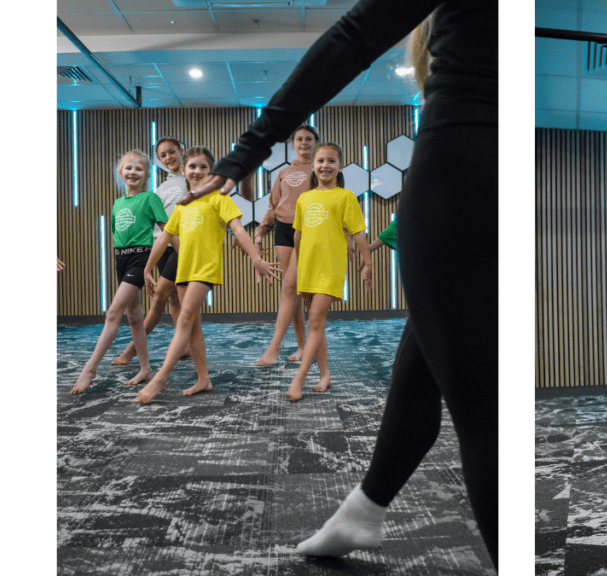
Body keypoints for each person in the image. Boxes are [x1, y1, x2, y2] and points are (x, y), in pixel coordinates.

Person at [182, 0, 497, 565]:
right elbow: (288, 222)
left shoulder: (347, 194)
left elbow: (356, 34)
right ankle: (363, 510)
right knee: (426, 355)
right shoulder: (298, 189)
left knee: (480, 403)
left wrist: (248, 148)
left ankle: (364, 504)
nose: (316, 161)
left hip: (457, 168)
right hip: (482, 165)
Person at [134, 147, 280, 404]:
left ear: (211, 173)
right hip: (184, 269)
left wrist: (256, 259)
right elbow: (164, 239)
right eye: (192, 166)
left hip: (206, 269)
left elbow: (238, 230)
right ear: (183, 170)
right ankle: (204, 378)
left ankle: (159, 379)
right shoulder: (182, 205)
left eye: (203, 167)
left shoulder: (219, 198)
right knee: (193, 328)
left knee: (185, 318)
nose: (197, 171)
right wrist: (147, 268)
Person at [70, 150, 168, 394]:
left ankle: (90, 369)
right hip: (120, 259)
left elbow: (168, 233)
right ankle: (145, 369)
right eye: (128, 168)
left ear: (146, 173)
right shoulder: (118, 203)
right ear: (120, 172)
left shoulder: (150, 198)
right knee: (134, 315)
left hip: (140, 257)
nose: (133, 172)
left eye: (139, 169)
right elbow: (117, 235)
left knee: (113, 312)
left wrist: (181, 258)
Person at [285, 143, 372, 401]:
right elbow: (298, 235)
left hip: (330, 268)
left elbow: (358, 232)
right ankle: (325, 375)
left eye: (331, 161)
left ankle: (298, 380)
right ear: (312, 166)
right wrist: (297, 265)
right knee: (317, 324)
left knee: (314, 321)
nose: (325, 165)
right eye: (320, 160)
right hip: (308, 268)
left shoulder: (345, 197)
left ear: (339, 166)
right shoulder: (305, 198)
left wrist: (367, 262)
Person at [112, 137, 191, 366]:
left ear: (181, 151)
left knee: (158, 299)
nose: (168, 158)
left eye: (172, 152)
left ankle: (130, 352)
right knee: (174, 300)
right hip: (161, 247)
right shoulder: (162, 188)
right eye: (163, 155)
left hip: (181, 246)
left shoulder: (191, 179)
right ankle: (184, 346)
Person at [253, 125, 321, 366]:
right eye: (299, 139)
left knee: (300, 291)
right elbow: (273, 206)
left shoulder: (319, 168)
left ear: (315, 142)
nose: (304, 142)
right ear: (292, 144)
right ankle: (303, 347)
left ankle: (278, 347)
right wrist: (261, 231)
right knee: (292, 290)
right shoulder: (282, 173)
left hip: (309, 230)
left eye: (308, 139)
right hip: (283, 229)